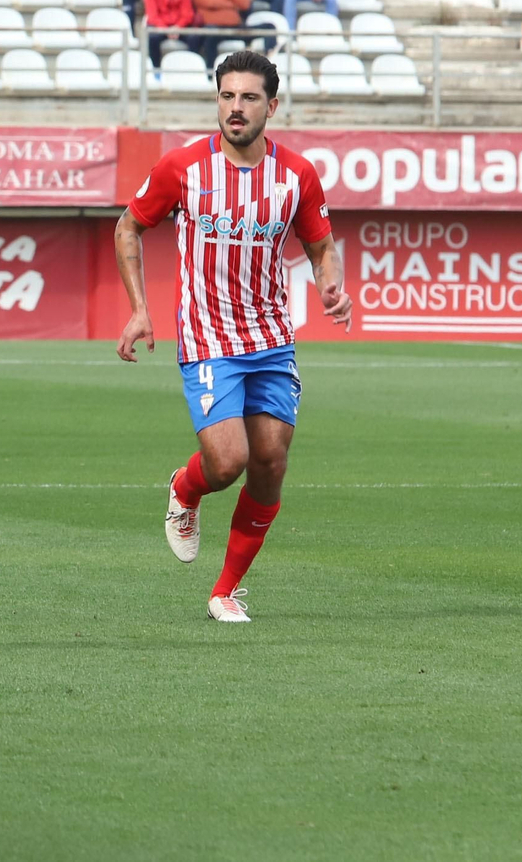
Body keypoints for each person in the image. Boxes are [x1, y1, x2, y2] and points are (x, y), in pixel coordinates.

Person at [114, 49, 351, 623]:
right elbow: (128, 227)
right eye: (226, 96)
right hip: (207, 338)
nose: (235, 107)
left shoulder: (296, 175)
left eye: (248, 97)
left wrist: (331, 286)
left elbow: (321, 246)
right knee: (227, 462)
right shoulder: (183, 168)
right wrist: (140, 309)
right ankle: (186, 487)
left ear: (272, 106)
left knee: (269, 463)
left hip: (271, 339)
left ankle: (225, 590)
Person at [191, 0, 266, 66]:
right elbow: (209, 2)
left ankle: (270, 59)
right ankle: (210, 70)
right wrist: (232, 5)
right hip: (215, 30)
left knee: (269, 27)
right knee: (210, 34)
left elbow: (245, 4)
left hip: (236, 28)